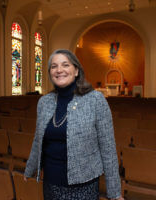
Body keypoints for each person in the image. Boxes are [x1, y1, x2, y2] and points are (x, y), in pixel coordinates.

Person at [24, 49, 123, 200]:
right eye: (54, 66)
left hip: (84, 185)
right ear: (50, 73)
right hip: (51, 182)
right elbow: (38, 140)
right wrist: (30, 168)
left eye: (65, 65)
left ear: (76, 70)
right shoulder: (44, 102)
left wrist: (115, 193)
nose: (59, 70)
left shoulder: (95, 100)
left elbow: (108, 148)